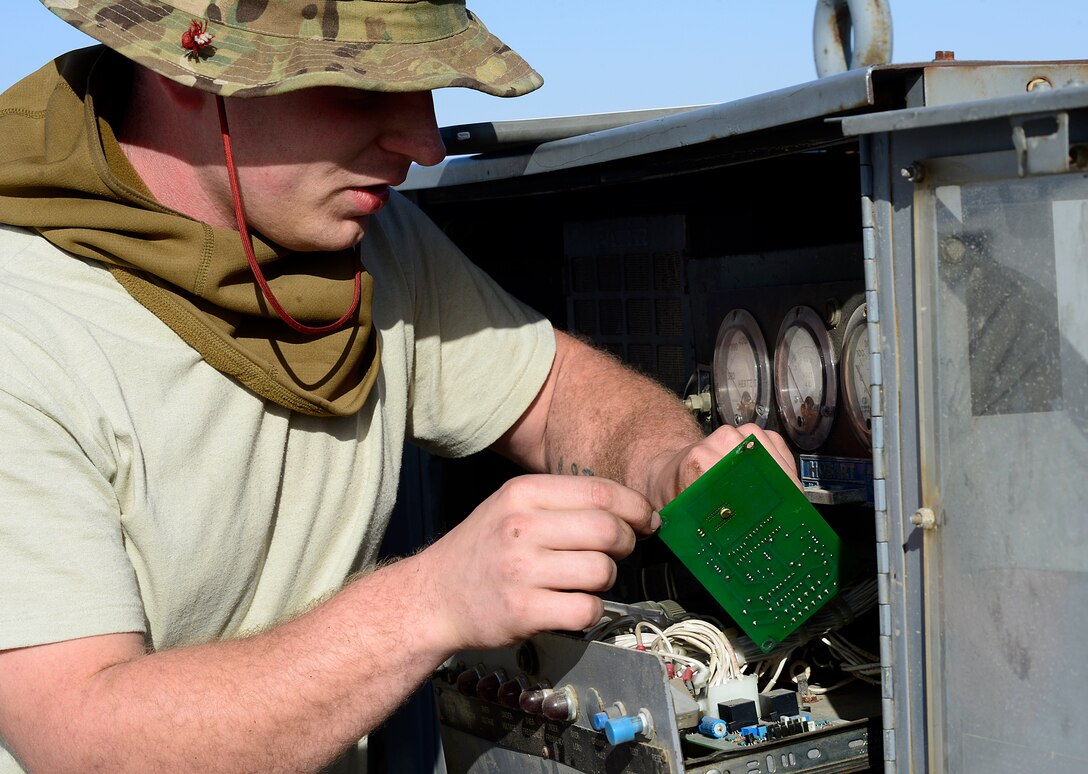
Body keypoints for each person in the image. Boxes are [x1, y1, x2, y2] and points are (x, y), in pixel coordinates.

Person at [0, 1, 798, 771]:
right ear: (187, 68)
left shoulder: (367, 237)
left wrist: (667, 464)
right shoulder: (23, 324)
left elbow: (553, 389)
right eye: (362, 86)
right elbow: (85, 741)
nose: (424, 143)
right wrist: (433, 602)